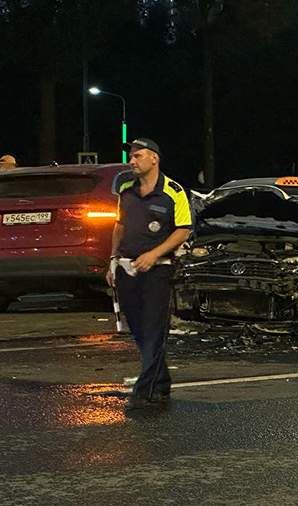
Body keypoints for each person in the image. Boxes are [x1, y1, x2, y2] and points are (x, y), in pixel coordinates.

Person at [106, 138, 192, 412]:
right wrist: (113, 259)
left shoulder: (173, 191)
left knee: (154, 329)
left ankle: (145, 390)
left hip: (158, 270)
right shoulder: (126, 189)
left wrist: (154, 254)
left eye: (138, 156)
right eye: (130, 156)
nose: (132, 161)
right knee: (140, 330)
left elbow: (183, 229)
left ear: (154, 158)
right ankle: (161, 382)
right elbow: (119, 225)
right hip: (126, 268)